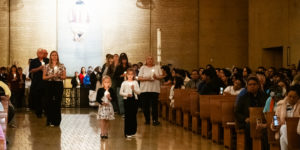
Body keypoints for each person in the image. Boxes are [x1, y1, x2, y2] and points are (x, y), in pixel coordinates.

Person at [235, 76, 268, 150]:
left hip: (262, 120)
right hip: (247, 121)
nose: (252, 86)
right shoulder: (243, 98)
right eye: (250, 85)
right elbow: (237, 112)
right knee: (249, 126)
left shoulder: (264, 96)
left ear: (258, 85)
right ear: (247, 86)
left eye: (254, 84)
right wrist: (245, 118)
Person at [270, 85, 300, 150]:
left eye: (294, 97)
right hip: (282, 129)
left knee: (282, 139)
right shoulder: (280, 105)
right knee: (284, 127)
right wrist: (275, 125)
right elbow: (275, 118)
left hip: (296, 131)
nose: (292, 99)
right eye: (290, 96)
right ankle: (292, 147)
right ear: (287, 95)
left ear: (298, 97)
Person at [138, 56, 164, 126]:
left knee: (154, 106)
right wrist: (147, 78)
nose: (150, 60)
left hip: (154, 89)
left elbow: (161, 76)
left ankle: (155, 120)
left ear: (153, 60)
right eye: (148, 59)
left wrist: (156, 77)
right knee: (145, 106)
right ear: (146, 60)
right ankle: (147, 120)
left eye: (151, 59)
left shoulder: (157, 67)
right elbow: (139, 78)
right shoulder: (142, 68)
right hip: (144, 89)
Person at [43, 51, 66, 126]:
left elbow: (64, 77)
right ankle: (49, 120)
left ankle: (57, 121)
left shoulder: (62, 66)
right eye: (52, 55)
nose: (54, 56)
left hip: (58, 85)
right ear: (50, 56)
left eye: (56, 55)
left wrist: (59, 76)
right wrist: (51, 76)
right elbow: (44, 77)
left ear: (58, 56)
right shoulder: (46, 66)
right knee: (49, 102)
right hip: (49, 84)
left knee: (57, 103)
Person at [119, 68, 141, 138]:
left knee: (133, 116)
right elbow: (120, 92)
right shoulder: (124, 83)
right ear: (126, 75)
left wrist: (134, 89)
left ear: (134, 75)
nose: (130, 76)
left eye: (132, 74)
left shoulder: (135, 82)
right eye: (129, 74)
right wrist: (127, 94)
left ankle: (133, 131)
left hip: (134, 100)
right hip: (127, 100)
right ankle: (127, 132)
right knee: (128, 116)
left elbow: (139, 92)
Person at [30, 48, 49, 118]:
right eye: (40, 53)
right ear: (37, 54)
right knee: (37, 99)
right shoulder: (33, 61)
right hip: (37, 83)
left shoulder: (47, 60)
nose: (41, 54)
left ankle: (47, 112)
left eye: (42, 53)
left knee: (46, 98)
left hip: (46, 82)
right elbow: (31, 70)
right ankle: (38, 113)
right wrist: (39, 68)